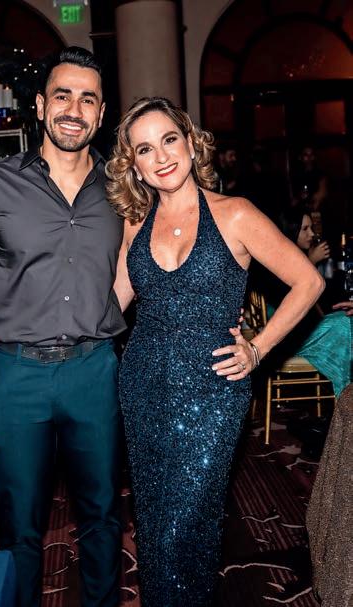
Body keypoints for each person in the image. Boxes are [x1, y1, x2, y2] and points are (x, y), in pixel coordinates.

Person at [106, 96, 324, 607]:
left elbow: (309, 281)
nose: (161, 156)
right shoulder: (135, 223)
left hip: (213, 390)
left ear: (190, 142)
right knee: (155, 522)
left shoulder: (235, 214)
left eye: (169, 140)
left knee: (187, 523)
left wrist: (258, 348)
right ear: (133, 164)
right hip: (142, 386)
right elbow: (110, 306)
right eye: (145, 149)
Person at [0, 47, 126, 607]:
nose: (74, 109)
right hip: (14, 376)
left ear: (101, 114)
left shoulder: (123, 189)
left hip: (95, 371)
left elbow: (161, 251)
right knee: (18, 525)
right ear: (42, 106)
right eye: (63, 96)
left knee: (102, 515)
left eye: (88, 99)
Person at [259, 207, 351, 397]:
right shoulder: (275, 259)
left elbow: (315, 310)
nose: (312, 234)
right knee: (344, 323)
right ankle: (346, 396)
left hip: (300, 329)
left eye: (312, 228)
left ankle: (346, 397)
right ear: (290, 231)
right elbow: (287, 301)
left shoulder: (298, 258)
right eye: (305, 229)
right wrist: (310, 262)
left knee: (345, 319)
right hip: (283, 334)